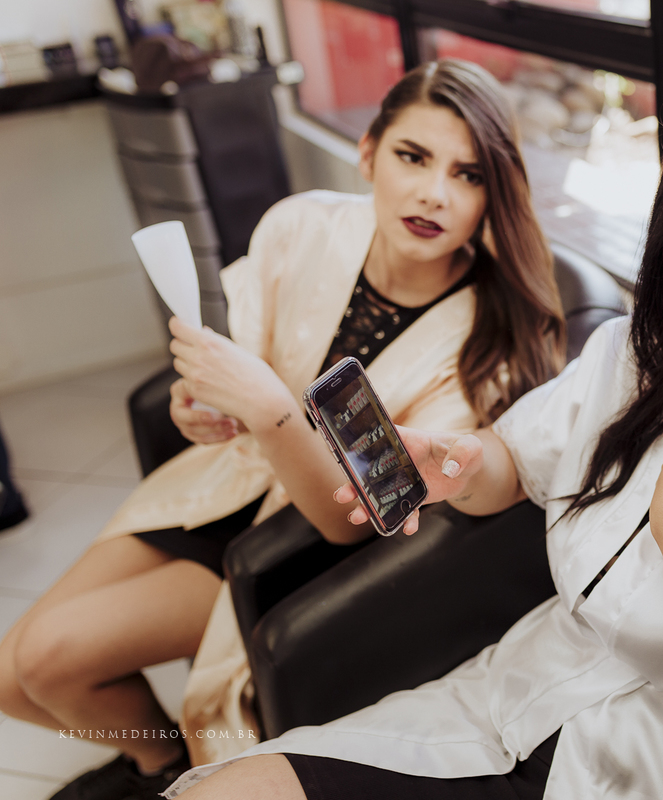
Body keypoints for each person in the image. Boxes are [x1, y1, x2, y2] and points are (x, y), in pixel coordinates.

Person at [165, 73, 663, 800]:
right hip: (505, 700)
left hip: (662, 766)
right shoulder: (639, 359)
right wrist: (455, 461)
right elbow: (515, 460)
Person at [0, 59, 564, 800]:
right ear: (368, 152)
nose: (434, 191)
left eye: (468, 175)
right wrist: (199, 406)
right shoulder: (302, 226)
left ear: (494, 193)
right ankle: (154, 758)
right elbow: (240, 368)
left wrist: (269, 409)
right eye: (412, 157)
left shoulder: (486, 343)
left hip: (299, 549)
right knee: (12, 677)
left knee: (48, 659)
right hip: (223, 483)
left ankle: (155, 766)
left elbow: (358, 523)